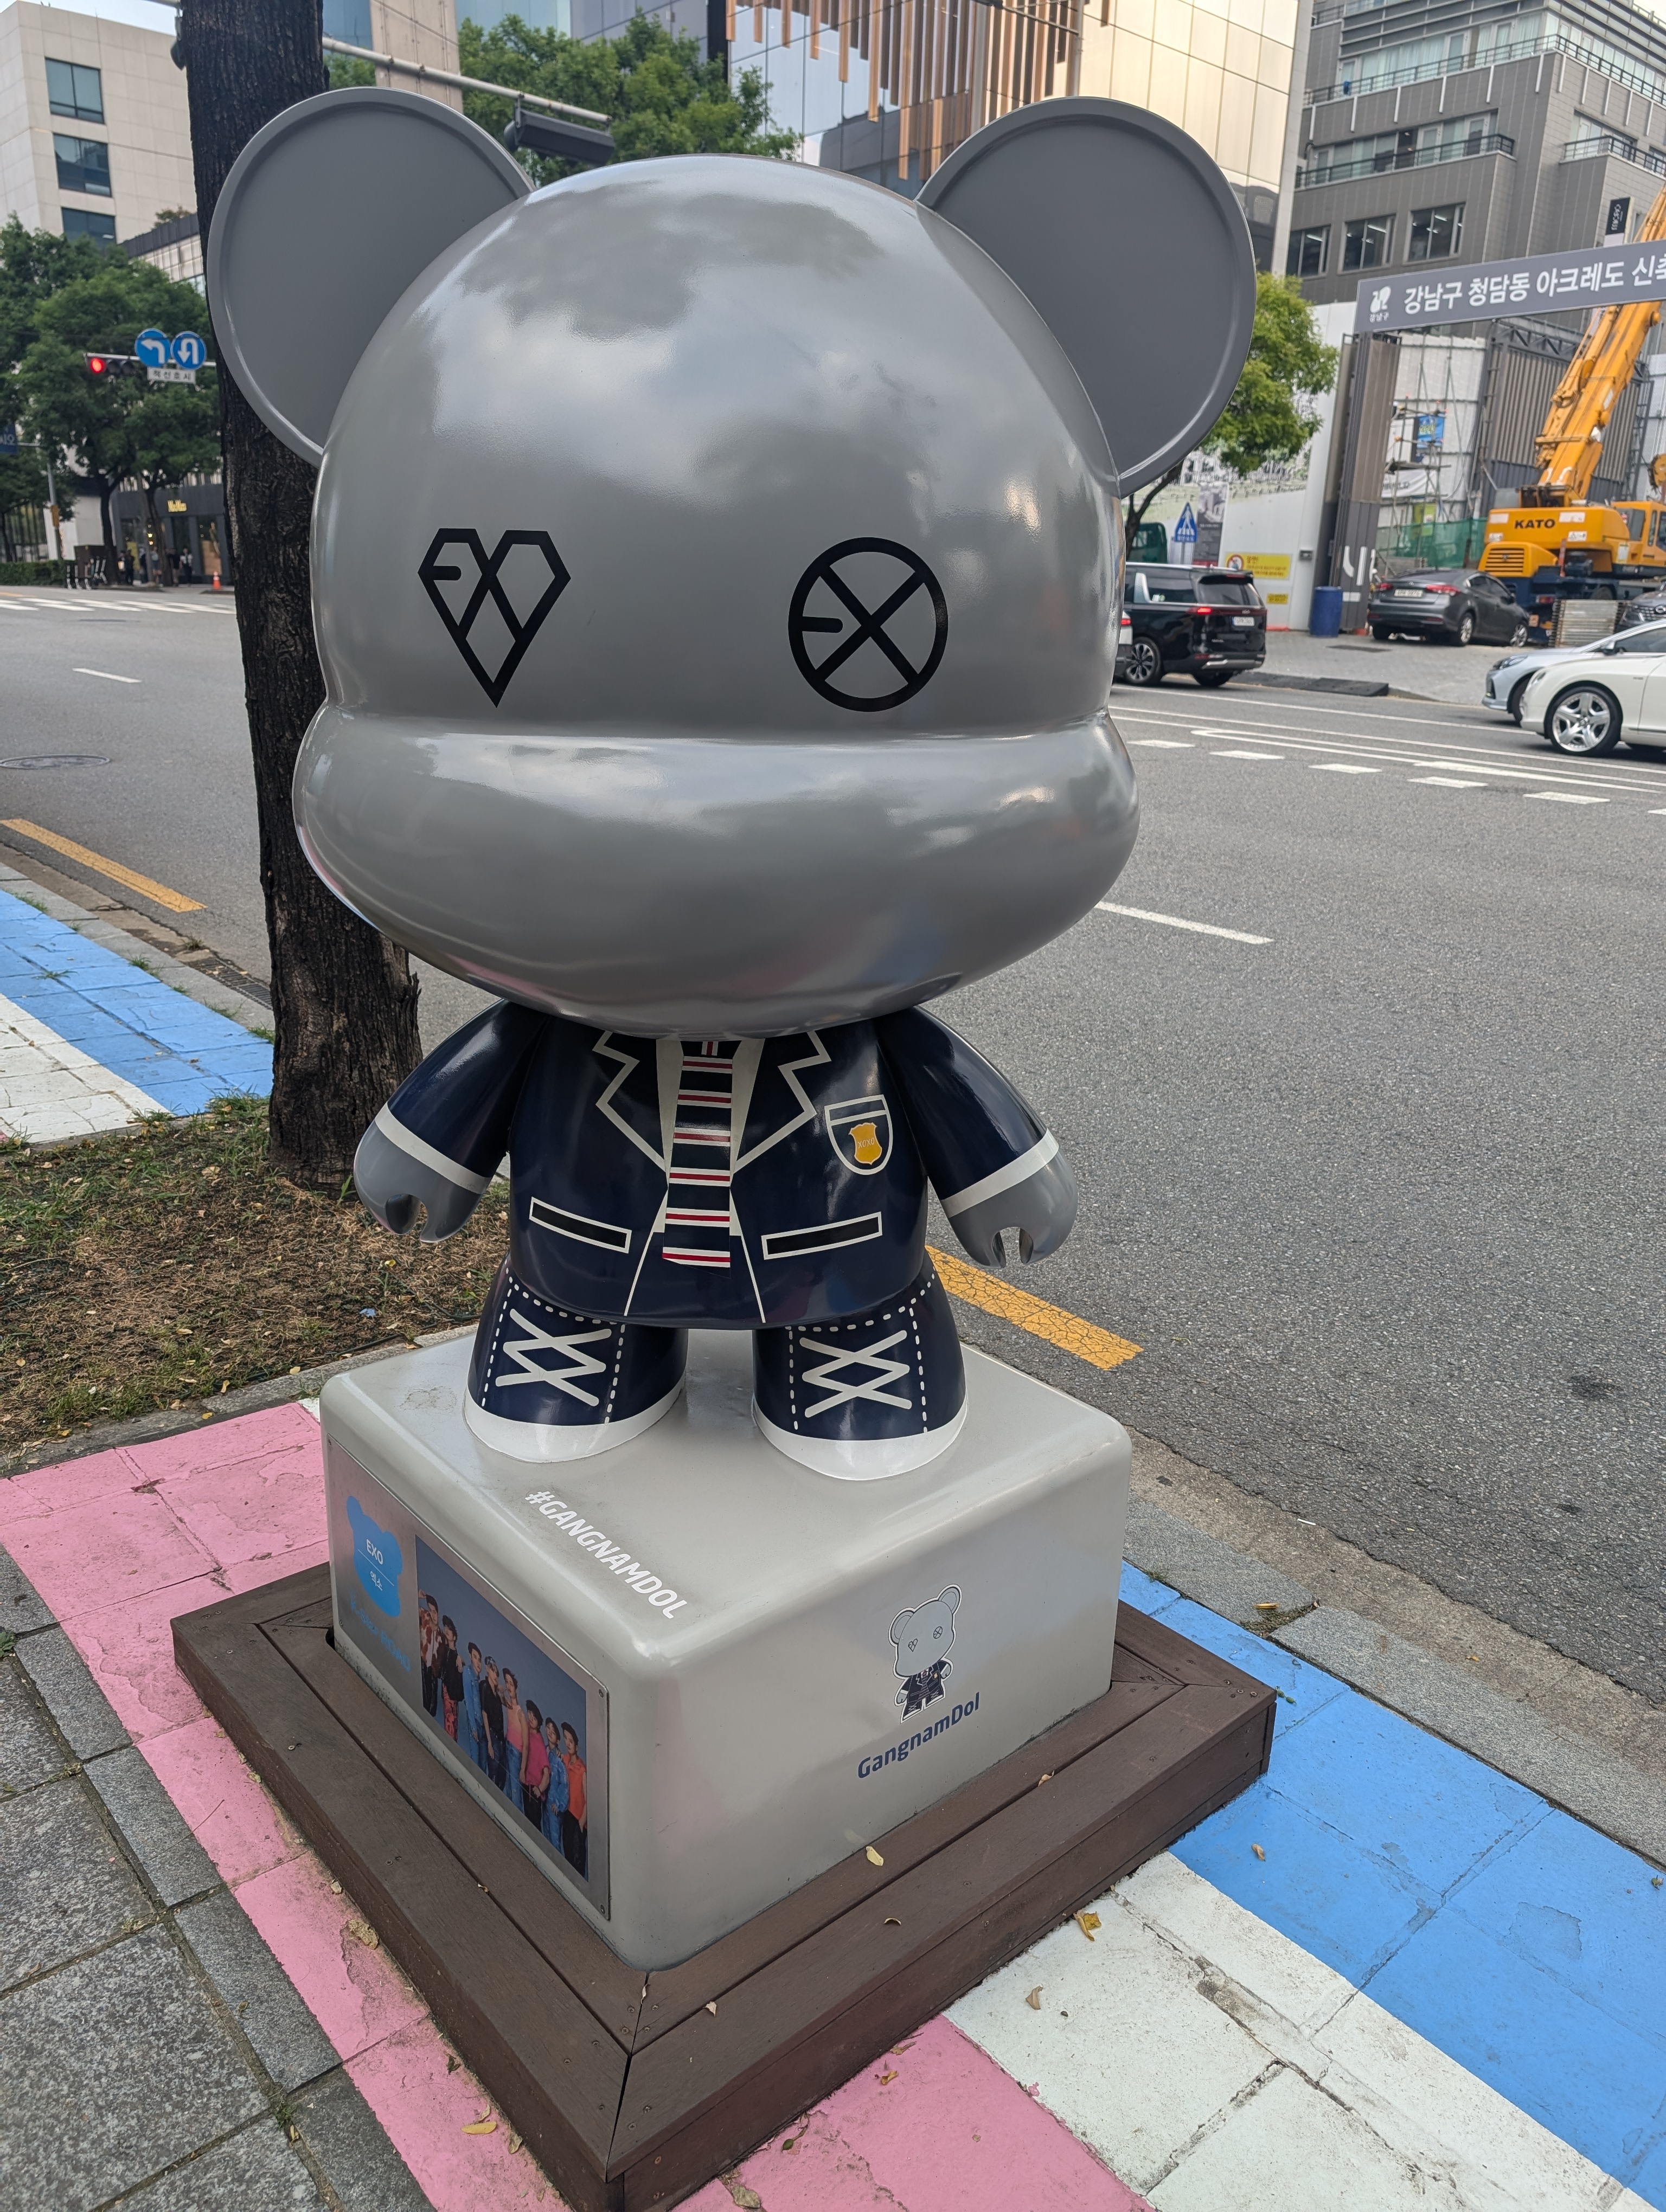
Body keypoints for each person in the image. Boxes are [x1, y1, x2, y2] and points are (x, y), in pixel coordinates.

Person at [560, 1723, 587, 1877]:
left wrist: (582, 1822)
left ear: (577, 1746)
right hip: (567, 1815)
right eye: (566, 1739)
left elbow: (588, 1799)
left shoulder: (582, 1769)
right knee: (568, 1853)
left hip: (578, 1820)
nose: (568, 1744)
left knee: (578, 1859)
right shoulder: (564, 1760)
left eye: (571, 1741)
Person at [540, 1715, 568, 1849]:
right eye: (548, 1728)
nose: (550, 1732)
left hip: (553, 1805)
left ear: (558, 1739)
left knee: (555, 1841)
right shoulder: (544, 1751)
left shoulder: (558, 1760)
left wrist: (558, 1803)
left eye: (554, 1732)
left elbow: (564, 1784)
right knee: (546, 1835)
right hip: (544, 1801)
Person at [521, 1698, 549, 1827]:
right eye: (530, 1714)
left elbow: (546, 1774)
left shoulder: (540, 1743)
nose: (531, 1718)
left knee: (534, 1823)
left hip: (533, 1788)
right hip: (525, 1783)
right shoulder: (526, 1727)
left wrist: (540, 1789)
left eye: (535, 1717)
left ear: (539, 1724)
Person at [462, 1642, 489, 1772]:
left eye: (479, 1659)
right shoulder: (468, 1673)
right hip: (475, 1723)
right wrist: (473, 1727)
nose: (478, 1662)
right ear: (470, 1657)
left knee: (483, 1764)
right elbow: (469, 1701)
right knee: (476, 1760)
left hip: (482, 1726)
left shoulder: (480, 1682)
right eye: (475, 1657)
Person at [501, 1669, 526, 1803]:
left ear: (516, 1688)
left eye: (511, 1684)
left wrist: (523, 1768)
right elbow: (501, 1698)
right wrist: (502, 1691)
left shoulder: (520, 1713)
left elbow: (526, 1745)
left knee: (516, 1791)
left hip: (516, 1753)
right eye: (507, 1683)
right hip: (507, 1746)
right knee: (509, 1788)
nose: (509, 1686)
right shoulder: (509, 1706)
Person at [481, 1659, 505, 1788]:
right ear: (487, 1670)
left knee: (500, 1772)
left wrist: (502, 1693)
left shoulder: (496, 1693)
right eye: (493, 1671)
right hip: (492, 1735)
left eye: (497, 1673)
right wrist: (490, 1742)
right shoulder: (485, 1687)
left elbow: (509, 1705)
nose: (496, 1675)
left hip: (500, 1738)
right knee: (493, 1769)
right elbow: (485, 1714)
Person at [439, 1616, 463, 1739]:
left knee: (452, 1724)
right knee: (448, 1723)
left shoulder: (456, 1657)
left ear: (454, 1637)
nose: (447, 1630)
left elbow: (458, 1678)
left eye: (450, 1629)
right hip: (445, 1694)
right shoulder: (445, 1651)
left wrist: (460, 1666)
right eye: (446, 1628)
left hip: (451, 1697)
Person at [419, 1596, 439, 1718]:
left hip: (433, 1675)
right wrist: (417, 1595)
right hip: (422, 1667)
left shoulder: (441, 1634)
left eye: (435, 1612)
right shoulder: (425, 1618)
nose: (433, 1615)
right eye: (430, 1611)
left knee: (431, 1710)